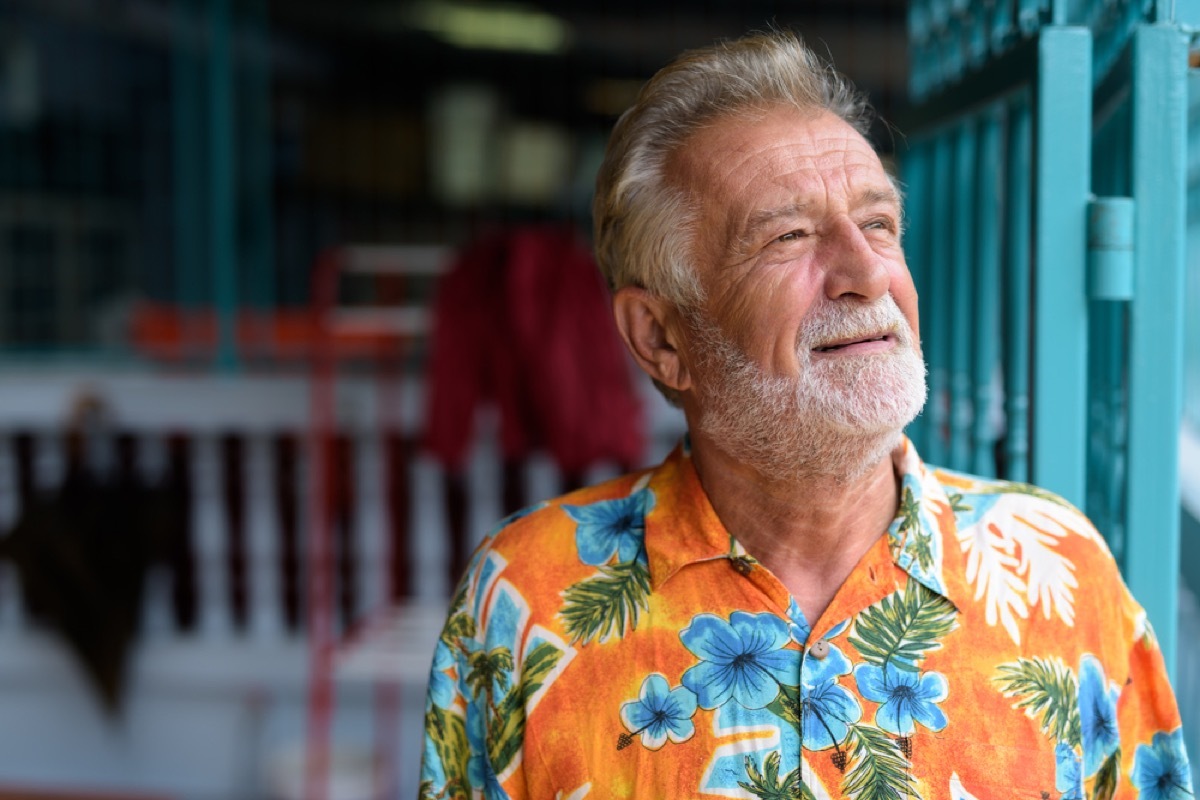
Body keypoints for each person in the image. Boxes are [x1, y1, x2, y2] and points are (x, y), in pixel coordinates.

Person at [420, 30, 1191, 799]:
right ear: (661, 338)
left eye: (880, 224)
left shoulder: (1059, 567)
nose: (867, 273)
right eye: (788, 236)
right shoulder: (523, 598)